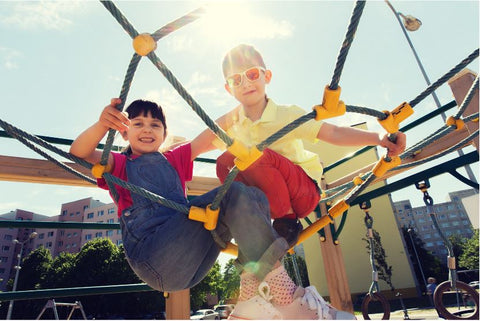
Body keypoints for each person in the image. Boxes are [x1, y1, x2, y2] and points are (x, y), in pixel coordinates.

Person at [69, 98, 356, 320]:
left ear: (165, 132)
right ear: (123, 130)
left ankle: (249, 297)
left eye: (155, 125)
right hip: (153, 254)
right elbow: (79, 153)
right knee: (232, 193)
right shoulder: (119, 164)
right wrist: (100, 126)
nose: (147, 129)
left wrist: (246, 106)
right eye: (138, 124)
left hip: (191, 262)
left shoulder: (175, 159)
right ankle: (287, 298)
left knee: (252, 195)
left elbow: (209, 135)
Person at [195, 43, 406, 246]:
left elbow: (333, 132)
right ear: (228, 88)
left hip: (302, 194)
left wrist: (378, 138)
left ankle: (286, 225)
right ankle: (248, 217)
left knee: (258, 154)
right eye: (236, 80)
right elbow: (197, 146)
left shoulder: (287, 114)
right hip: (269, 201)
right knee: (224, 161)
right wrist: (169, 150)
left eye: (251, 74)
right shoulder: (233, 124)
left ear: (266, 76)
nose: (245, 84)